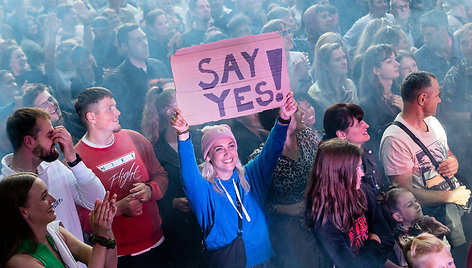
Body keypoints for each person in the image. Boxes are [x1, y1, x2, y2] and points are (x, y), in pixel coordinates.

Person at [170, 93, 297, 267]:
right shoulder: (204, 190)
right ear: (208, 157)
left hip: (265, 260)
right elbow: (189, 175)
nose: (228, 153)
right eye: (219, 149)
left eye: (231, 146)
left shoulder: (250, 175)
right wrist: (183, 135)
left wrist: (283, 119)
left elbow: (272, 150)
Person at [379, 71, 471, 266]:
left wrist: (453, 163)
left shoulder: (433, 122)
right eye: (437, 94)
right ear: (422, 99)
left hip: (458, 207)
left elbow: (447, 154)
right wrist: (449, 197)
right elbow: (404, 194)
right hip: (435, 219)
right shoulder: (395, 139)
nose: (440, 99)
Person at [74, 87, 169, 267]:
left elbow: (161, 176)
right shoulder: (76, 161)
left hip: (157, 243)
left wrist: (150, 190)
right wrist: (119, 208)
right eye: (110, 108)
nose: (118, 112)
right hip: (117, 257)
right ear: (91, 117)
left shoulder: (135, 138)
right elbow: (78, 219)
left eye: (115, 106)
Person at [0, 107, 106, 248]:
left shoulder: (54, 166)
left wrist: (72, 159)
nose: (56, 139)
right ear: (29, 141)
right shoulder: (6, 189)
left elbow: (96, 200)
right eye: (50, 134)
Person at [305, 138, 398, 267]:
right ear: (337, 174)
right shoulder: (324, 219)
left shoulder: (363, 191)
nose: (362, 174)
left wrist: (373, 253)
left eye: (360, 167)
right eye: (356, 168)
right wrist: (374, 242)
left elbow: (387, 237)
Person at [251, 107, 324, 268]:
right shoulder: (261, 158)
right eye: (296, 110)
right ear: (281, 120)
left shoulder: (307, 136)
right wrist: (287, 209)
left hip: (321, 216)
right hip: (290, 230)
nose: (302, 114)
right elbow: (254, 202)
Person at [141, 86, 203, 267]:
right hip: (180, 232)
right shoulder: (154, 151)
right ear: (168, 112)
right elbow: (148, 194)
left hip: (209, 225)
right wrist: (172, 203)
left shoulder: (201, 139)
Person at [0, 173, 117, 268]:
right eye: (44, 197)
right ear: (24, 211)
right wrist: (100, 238)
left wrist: (106, 228)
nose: (53, 199)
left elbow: (108, 265)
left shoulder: (55, 233)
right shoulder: (19, 262)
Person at [101, 23, 170, 132]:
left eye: (144, 38)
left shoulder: (159, 66)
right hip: (142, 136)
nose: (145, 44)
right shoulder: (116, 80)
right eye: (138, 41)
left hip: (168, 130)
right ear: (125, 47)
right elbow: (124, 120)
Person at [322, 103, 386, 196]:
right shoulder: (335, 168)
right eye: (358, 123)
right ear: (341, 134)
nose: (366, 125)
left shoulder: (366, 151)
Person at [359, 44, 401, 152]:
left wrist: (406, 109)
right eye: (389, 62)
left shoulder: (401, 91)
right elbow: (374, 142)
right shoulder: (367, 105)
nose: (397, 64)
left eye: (395, 60)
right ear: (376, 70)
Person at [21, 83, 86, 143]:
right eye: (44, 104)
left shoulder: (80, 119)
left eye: (50, 99)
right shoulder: (42, 142)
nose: (52, 104)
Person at [308, 42, 358, 117]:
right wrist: (341, 110)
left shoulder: (349, 84)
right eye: (338, 60)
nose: (344, 62)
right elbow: (321, 124)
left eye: (344, 58)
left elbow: (358, 115)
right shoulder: (315, 92)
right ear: (325, 66)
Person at [414, 9, 462, 82]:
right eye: (423, 35)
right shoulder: (419, 57)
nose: (425, 40)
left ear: (443, 30)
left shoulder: (465, 44)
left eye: (429, 34)